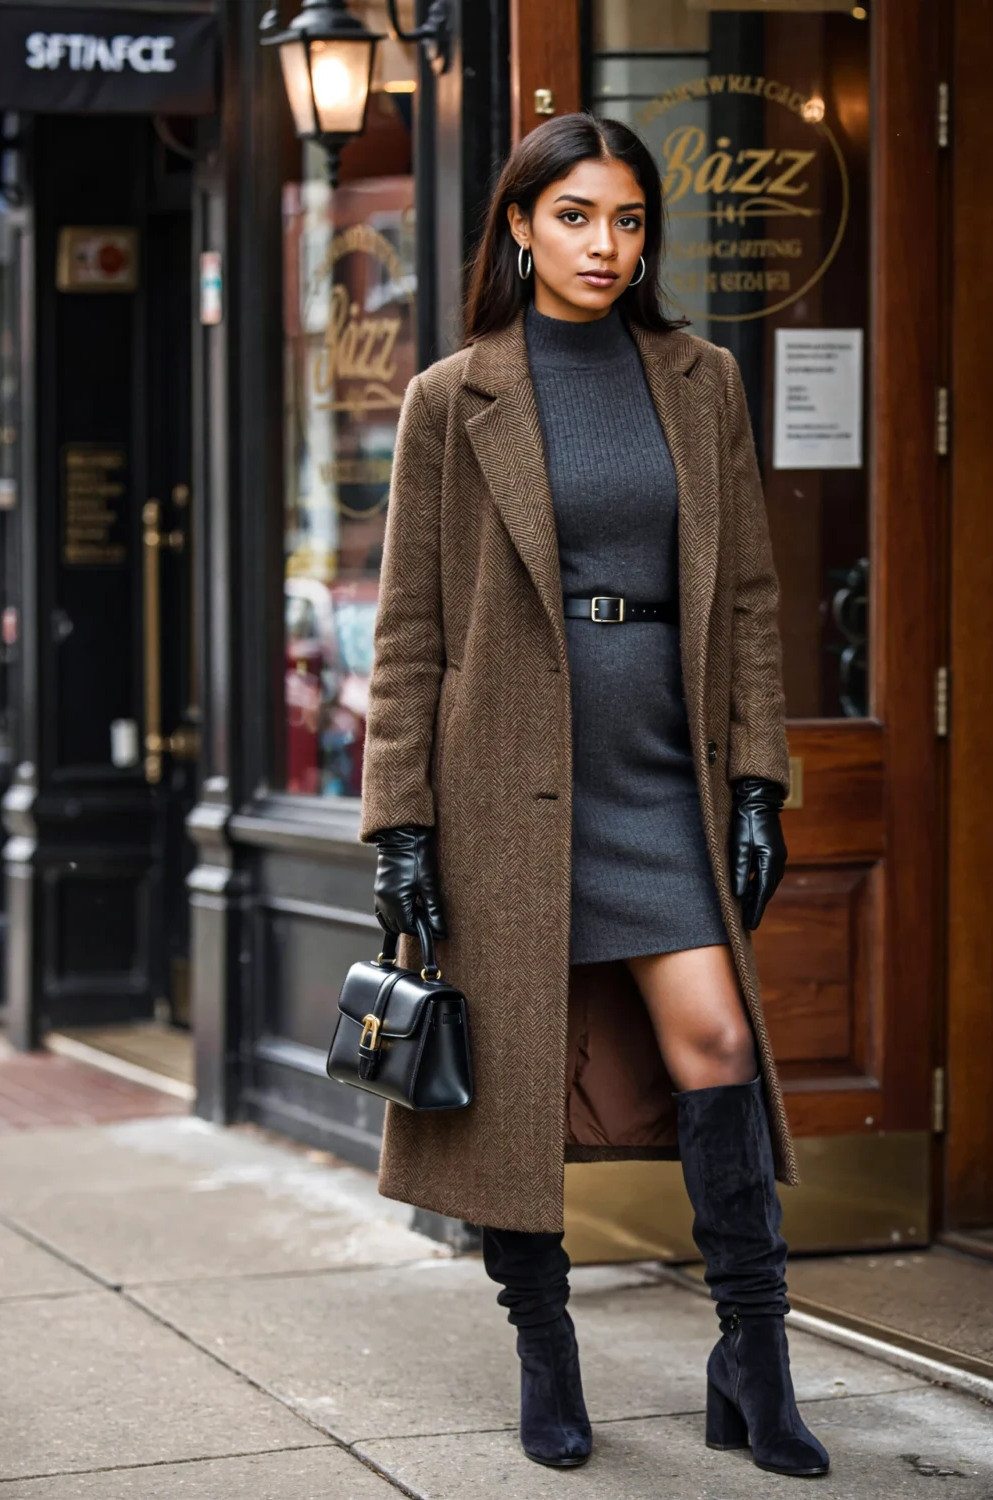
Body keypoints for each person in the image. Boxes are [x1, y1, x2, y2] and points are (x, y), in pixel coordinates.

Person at [359, 112, 829, 1480]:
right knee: (509, 1092)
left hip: (658, 782)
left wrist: (756, 781)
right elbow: (408, 633)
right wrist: (400, 826)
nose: (604, 245)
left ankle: (754, 1357)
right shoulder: (455, 394)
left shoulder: (701, 380)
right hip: (499, 784)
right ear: (518, 226)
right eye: (575, 217)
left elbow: (745, 596)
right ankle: (546, 1351)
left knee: (716, 1049)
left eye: (626, 220)